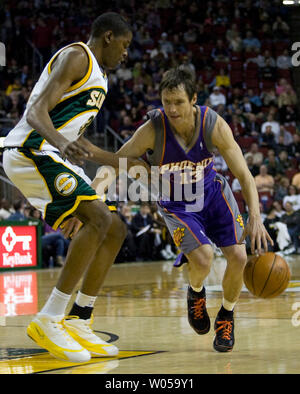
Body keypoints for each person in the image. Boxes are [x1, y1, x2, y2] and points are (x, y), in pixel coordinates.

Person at [95, 67, 273, 352]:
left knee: (239, 256)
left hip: (214, 194)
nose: (172, 109)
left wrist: (255, 216)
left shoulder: (213, 124)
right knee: (203, 260)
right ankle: (196, 293)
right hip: (177, 203)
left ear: (193, 99)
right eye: (167, 102)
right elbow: (115, 162)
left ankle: (226, 315)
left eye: (178, 102)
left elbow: (243, 173)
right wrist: (92, 198)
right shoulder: (152, 130)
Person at [2, 12, 141, 362]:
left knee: (115, 228)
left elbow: (87, 148)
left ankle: (79, 319)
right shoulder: (78, 56)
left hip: (51, 152)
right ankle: (49, 318)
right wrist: (61, 145)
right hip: (29, 149)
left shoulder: (101, 80)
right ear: (107, 37)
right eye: (124, 45)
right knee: (97, 218)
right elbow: (35, 112)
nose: (126, 53)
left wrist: (127, 163)